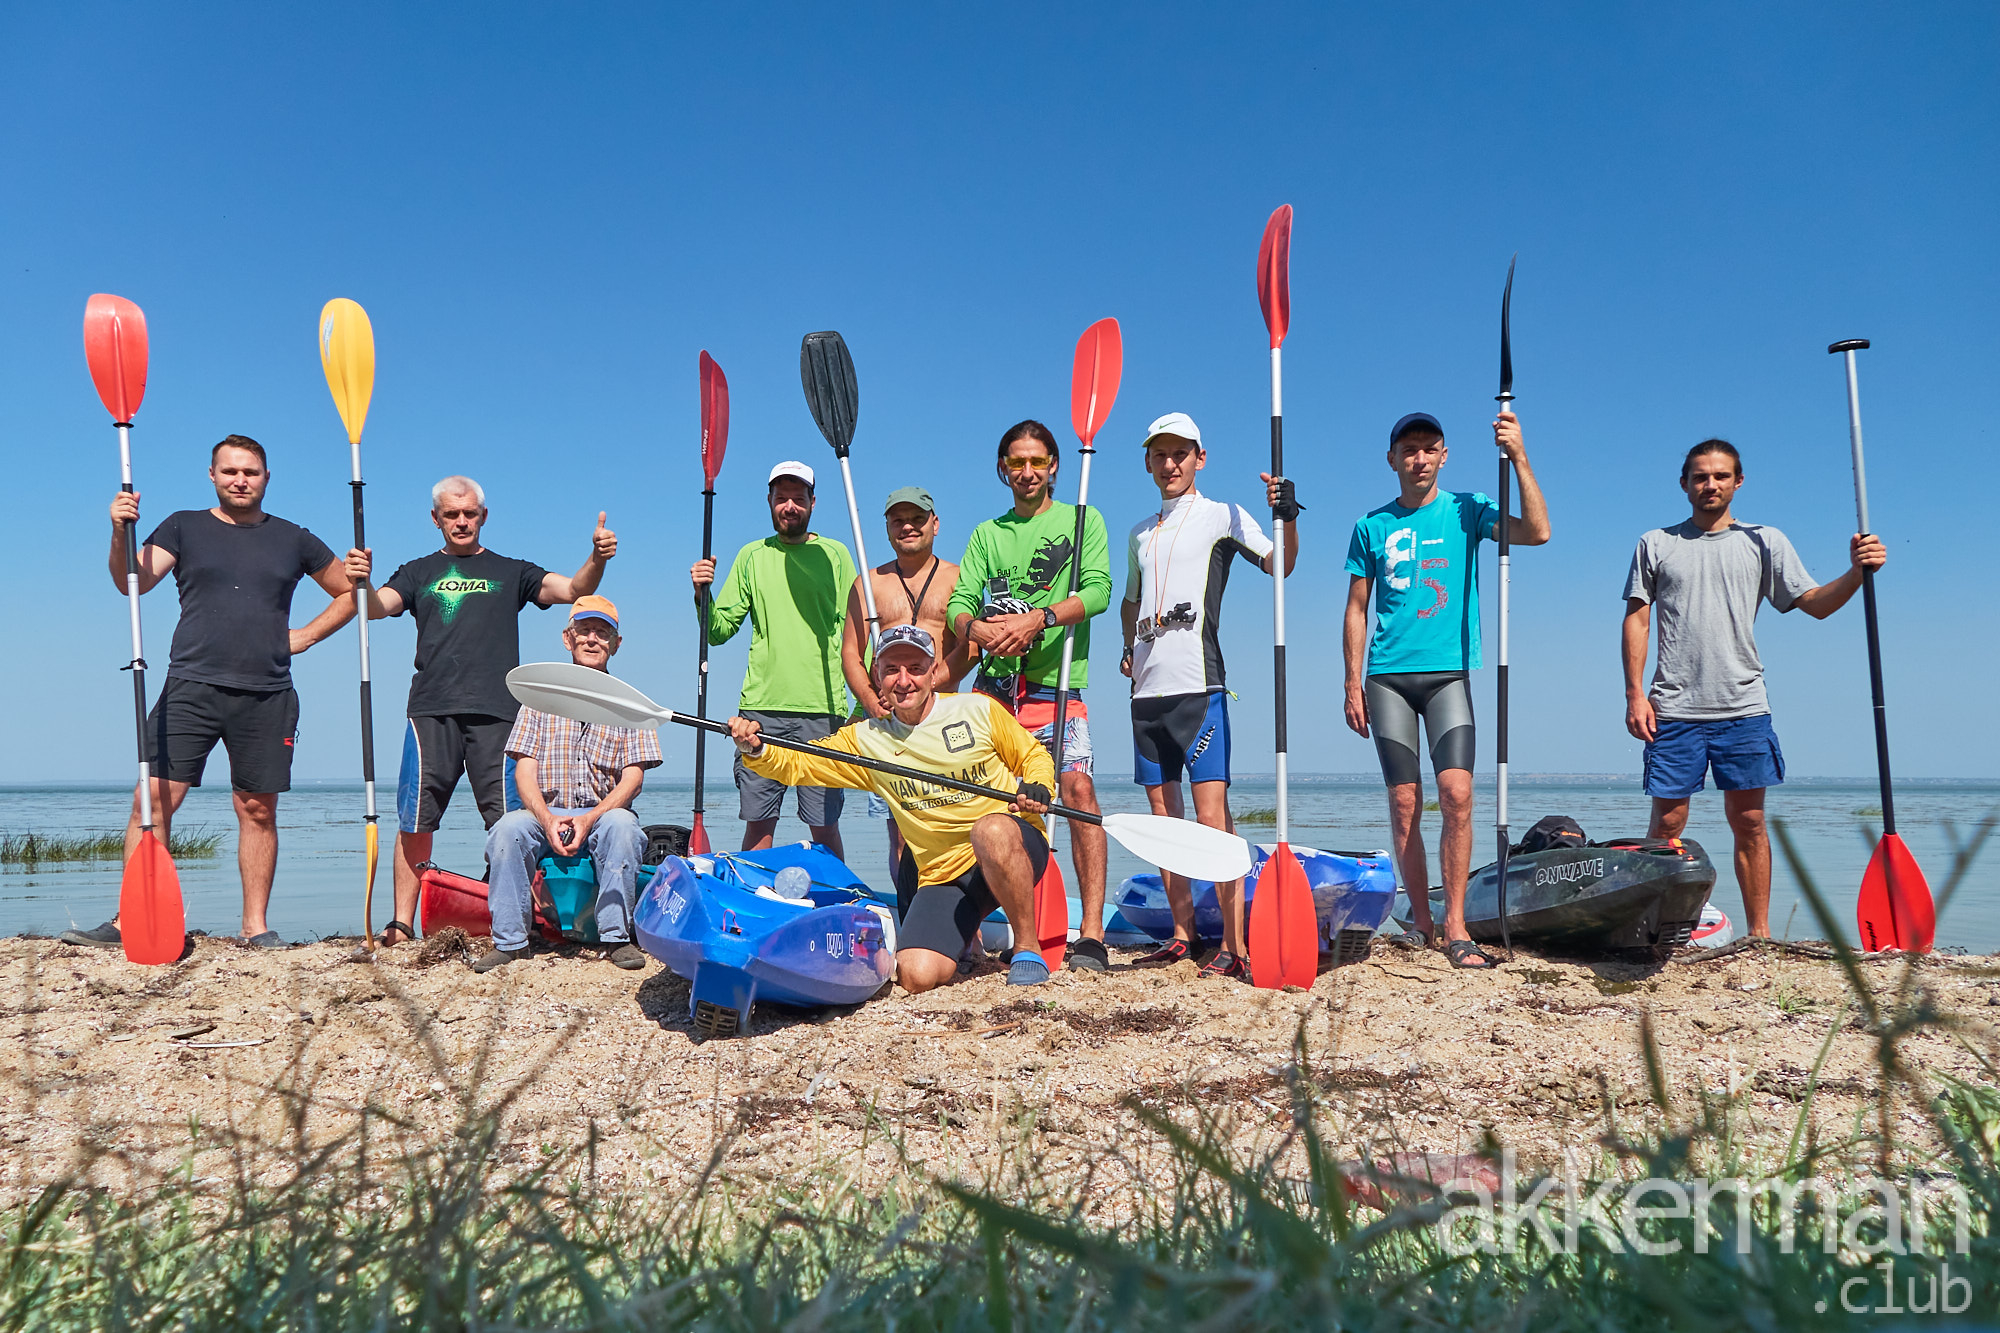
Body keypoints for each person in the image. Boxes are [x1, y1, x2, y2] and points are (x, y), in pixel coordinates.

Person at [64, 435, 357, 950]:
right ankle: (132, 917)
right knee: (152, 802)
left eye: (251, 472)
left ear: (266, 477)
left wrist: (306, 636)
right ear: (213, 475)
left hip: (267, 692)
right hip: (191, 686)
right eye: (229, 472)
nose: (240, 480)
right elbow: (130, 580)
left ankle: (255, 927)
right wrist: (118, 531)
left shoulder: (294, 538)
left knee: (258, 809)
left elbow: (350, 591)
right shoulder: (183, 526)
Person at [1622, 440, 1886, 939]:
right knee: (1667, 826)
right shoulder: (1656, 543)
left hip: (1743, 706)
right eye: (1700, 477)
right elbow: (1637, 618)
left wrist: (1856, 572)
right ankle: (1650, 930)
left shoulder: (1764, 541)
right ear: (1684, 484)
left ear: (1738, 482)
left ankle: (1759, 935)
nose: (1710, 485)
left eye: (1721, 476)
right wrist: (1635, 694)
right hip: (1673, 708)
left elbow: (1816, 604)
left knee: (1749, 822)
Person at [341, 477, 618, 947]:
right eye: (452, 514)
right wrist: (359, 580)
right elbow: (372, 607)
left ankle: (521, 918)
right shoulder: (417, 571)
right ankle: (402, 923)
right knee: (415, 820)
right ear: (437, 519)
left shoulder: (511, 571)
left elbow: (573, 589)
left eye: (469, 513)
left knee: (511, 822)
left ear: (483, 516)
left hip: (499, 714)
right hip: (431, 713)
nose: (462, 521)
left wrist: (597, 557)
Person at [726, 625, 1058, 991]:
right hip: (944, 874)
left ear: (933, 671)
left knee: (989, 830)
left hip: (1012, 844)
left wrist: (1039, 785)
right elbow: (801, 763)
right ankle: (964, 935)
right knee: (915, 976)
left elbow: (1033, 755)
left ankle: (1027, 948)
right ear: (877, 676)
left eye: (915, 668)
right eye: (891, 670)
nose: (904, 681)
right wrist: (755, 748)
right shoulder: (867, 739)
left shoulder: (977, 709)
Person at [1343, 410, 1550, 969]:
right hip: (1387, 677)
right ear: (1392, 459)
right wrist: (1351, 681)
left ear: (1443, 455)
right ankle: (1422, 921)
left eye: (1428, 449)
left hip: (1448, 674)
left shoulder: (1467, 510)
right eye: (1408, 449)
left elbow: (1537, 531)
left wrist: (1519, 457)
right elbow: (1357, 608)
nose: (1419, 458)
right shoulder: (1371, 526)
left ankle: (1457, 925)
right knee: (1405, 802)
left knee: (1457, 795)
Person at [1119, 413, 1301, 979]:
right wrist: (1128, 647)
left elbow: (1280, 565)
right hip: (1145, 694)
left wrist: (1288, 517)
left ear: (1200, 457)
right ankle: (1180, 935)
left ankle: (1235, 945)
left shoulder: (1223, 516)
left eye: (1180, 454)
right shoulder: (1139, 533)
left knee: (1211, 819)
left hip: (1200, 688)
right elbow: (1131, 600)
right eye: (1159, 455)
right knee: (1162, 818)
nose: (1169, 465)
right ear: (1148, 462)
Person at [945, 421, 1113, 972]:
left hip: (1055, 686)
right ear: (1003, 469)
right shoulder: (986, 534)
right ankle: (1005, 936)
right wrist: (979, 631)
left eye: (1037, 461)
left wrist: (1039, 619)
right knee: (987, 805)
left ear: (1054, 466)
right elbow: (959, 605)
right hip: (994, 690)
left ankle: (1090, 933)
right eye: (1016, 462)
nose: (1027, 472)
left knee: (1077, 788)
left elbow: (1098, 591)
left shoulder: (1081, 520)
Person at [477, 596, 660, 973]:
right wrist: (545, 819)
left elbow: (633, 778)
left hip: (602, 813)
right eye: (584, 631)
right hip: (545, 812)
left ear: (616, 644)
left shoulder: (633, 704)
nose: (592, 640)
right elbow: (523, 772)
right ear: (567, 638)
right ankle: (510, 941)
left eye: (602, 633)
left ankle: (616, 938)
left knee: (623, 827)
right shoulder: (537, 698)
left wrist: (591, 818)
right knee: (507, 829)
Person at [691, 462, 856, 857]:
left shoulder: (836, 554)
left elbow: (857, 634)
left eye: (799, 499)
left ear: (813, 503)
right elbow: (718, 630)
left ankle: (839, 906)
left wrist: (865, 700)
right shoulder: (752, 556)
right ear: (769, 502)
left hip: (825, 709)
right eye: (781, 498)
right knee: (759, 825)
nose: (790, 506)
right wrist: (702, 594)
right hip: (760, 713)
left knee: (824, 826)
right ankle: (754, 910)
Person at [840, 486, 976, 886]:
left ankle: (968, 932)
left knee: (954, 824)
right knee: (899, 830)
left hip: (943, 719)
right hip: (888, 724)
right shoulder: (868, 583)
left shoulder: (958, 577)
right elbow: (851, 652)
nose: (908, 527)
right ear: (887, 528)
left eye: (917, 519)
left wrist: (928, 685)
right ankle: (910, 917)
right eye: (898, 520)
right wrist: (868, 697)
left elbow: (970, 648)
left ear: (935, 523)